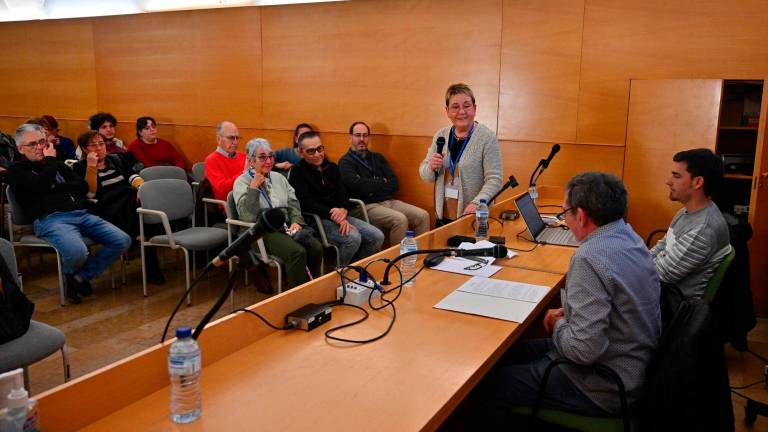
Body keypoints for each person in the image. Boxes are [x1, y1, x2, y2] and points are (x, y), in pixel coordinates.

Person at [450, 172, 660, 429]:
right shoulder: (629, 236)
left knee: (480, 387)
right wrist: (572, 315)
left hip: (600, 384)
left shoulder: (589, 258)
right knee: (495, 356)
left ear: (581, 215)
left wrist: (555, 323)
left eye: (565, 213)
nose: (565, 220)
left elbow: (582, 350)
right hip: (628, 364)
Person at [6, 124, 131, 304]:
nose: (40, 147)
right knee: (77, 252)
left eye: (42, 142)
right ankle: (74, 278)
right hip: (50, 220)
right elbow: (41, 185)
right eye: (32, 144)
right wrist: (49, 168)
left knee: (122, 240)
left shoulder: (58, 166)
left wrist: (54, 185)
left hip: (80, 213)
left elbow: (82, 187)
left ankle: (78, 277)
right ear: (20, 149)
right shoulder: (16, 171)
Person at [72, 131, 164, 285]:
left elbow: (132, 176)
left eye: (101, 143)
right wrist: (91, 167)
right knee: (143, 220)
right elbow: (90, 193)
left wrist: (141, 187)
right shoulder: (79, 167)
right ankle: (148, 260)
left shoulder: (116, 159)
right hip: (104, 208)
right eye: (94, 145)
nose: (100, 148)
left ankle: (139, 237)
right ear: (84, 149)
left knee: (141, 203)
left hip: (126, 206)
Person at [233, 138, 323, 287]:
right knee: (297, 252)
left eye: (271, 156)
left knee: (316, 248)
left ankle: (309, 289)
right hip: (260, 231)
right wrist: (253, 189)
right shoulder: (241, 182)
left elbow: (293, 204)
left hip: (285, 226)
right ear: (250, 161)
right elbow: (246, 217)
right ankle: (295, 299)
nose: (268, 161)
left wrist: (296, 221)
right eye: (262, 157)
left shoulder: (279, 178)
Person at [289, 131, 384, 265]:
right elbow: (306, 203)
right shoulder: (297, 171)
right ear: (301, 152)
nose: (317, 154)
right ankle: (336, 275)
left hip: (339, 216)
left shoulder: (331, 167)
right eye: (311, 151)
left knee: (377, 236)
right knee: (353, 238)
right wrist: (334, 214)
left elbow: (343, 194)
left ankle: (352, 271)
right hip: (315, 219)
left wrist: (343, 210)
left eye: (320, 149)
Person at [650, 148, 731, 300]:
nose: (668, 181)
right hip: (660, 292)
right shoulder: (685, 212)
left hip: (671, 305)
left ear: (698, 182)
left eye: (676, 176)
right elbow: (662, 246)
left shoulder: (703, 230)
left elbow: (661, 275)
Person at [419, 83, 502, 225]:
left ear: (474, 108)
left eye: (467, 106)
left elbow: (495, 179)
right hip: (443, 214)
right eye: (455, 107)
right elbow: (426, 175)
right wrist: (431, 167)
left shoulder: (487, 138)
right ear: (447, 111)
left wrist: (477, 203)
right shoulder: (441, 135)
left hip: (473, 217)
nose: (461, 111)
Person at [339, 121, 429, 244]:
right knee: (400, 219)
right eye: (357, 135)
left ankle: (420, 257)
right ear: (350, 138)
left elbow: (394, 183)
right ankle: (399, 261)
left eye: (365, 135)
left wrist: (371, 187)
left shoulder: (378, 158)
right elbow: (358, 188)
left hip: (388, 201)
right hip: (365, 206)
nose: (361, 139)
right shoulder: (345, 162)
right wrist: (381, 181)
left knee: (423, 216)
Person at [205, 121, 246, 202]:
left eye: (237, 138)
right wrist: (245, 174)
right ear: (219, 139)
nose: (235, 142)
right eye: (231, 138)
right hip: (229, 206)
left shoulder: (244, 156)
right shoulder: (212, 160)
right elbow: (222, 188)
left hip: (246, 200)